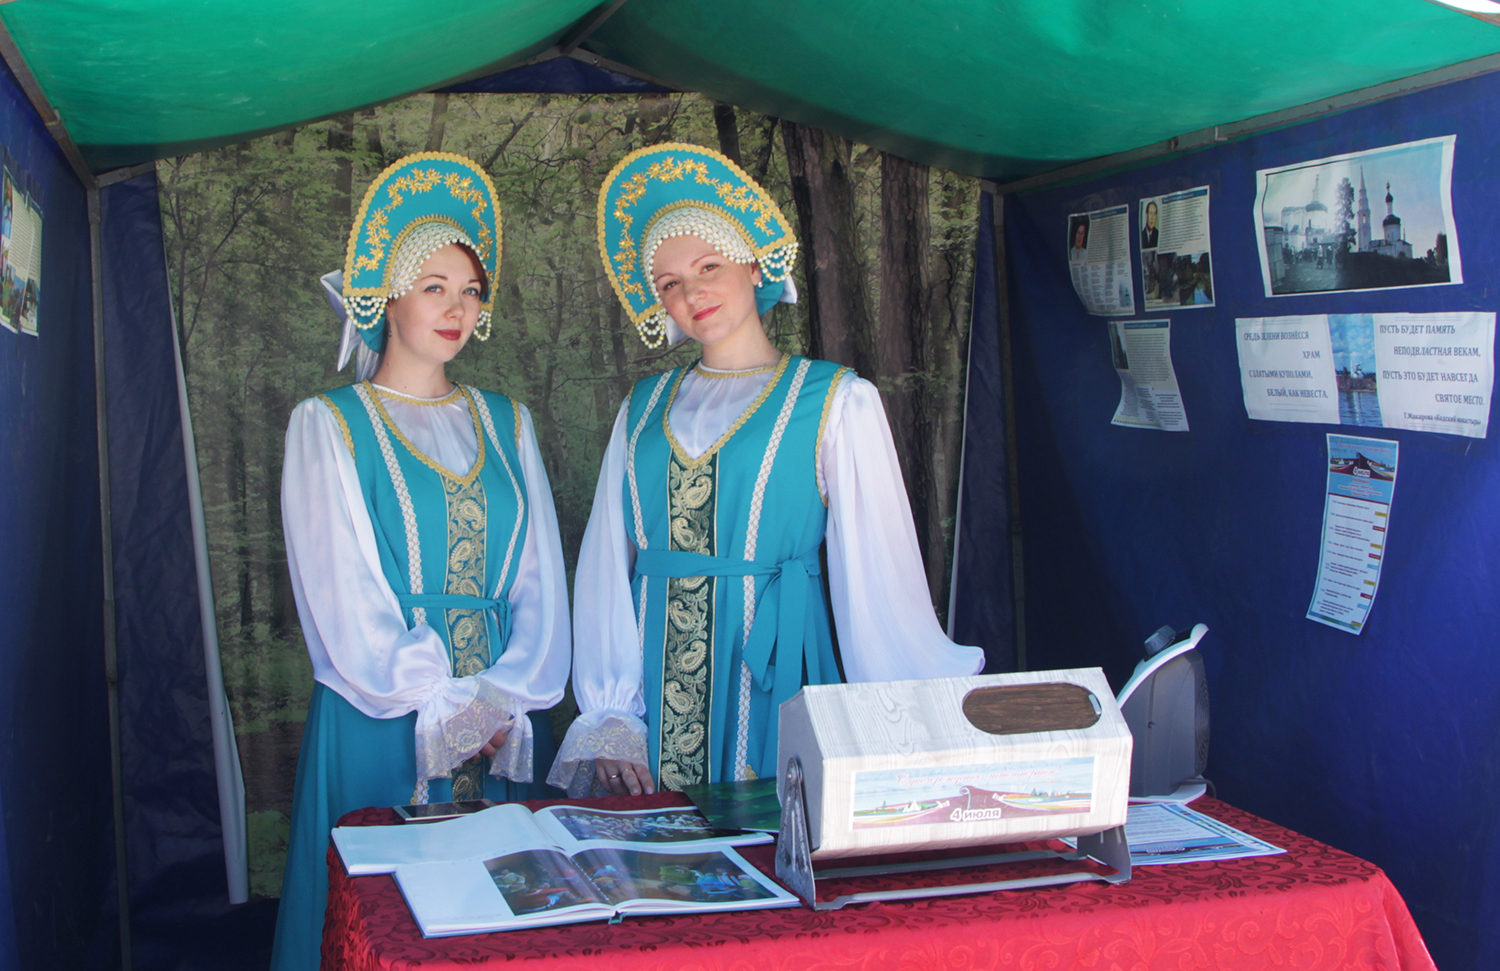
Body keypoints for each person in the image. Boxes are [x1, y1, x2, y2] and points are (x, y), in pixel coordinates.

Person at [549, 143, 984, 798]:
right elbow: (611, 566)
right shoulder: (640, 410)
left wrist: (907, 711)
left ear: (753, 265)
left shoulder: (835, 401)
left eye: (708, 265)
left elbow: (879, 579)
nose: (692, 291)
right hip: (654, 706)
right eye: (669, 283)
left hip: (777, 670)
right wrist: (614, 710)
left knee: (774, 854)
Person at [270, 153, 570, 971]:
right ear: (386, 295)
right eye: (433, 285)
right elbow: (340, 592)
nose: (457, 306)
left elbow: (540, 578)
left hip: (505, 721)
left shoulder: (508, 421)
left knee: (503, 924)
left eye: (470, 290)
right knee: (385, 927)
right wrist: (436, 700)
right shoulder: (327, 424)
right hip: (383, 717)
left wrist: (506, 693)